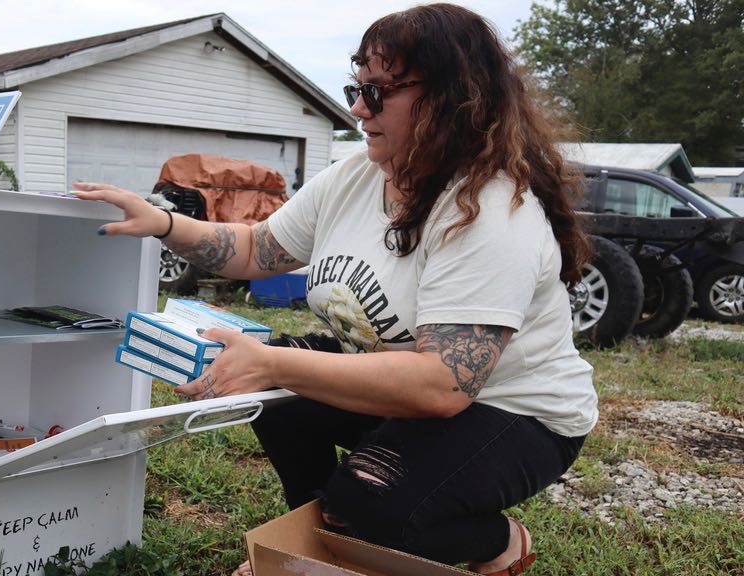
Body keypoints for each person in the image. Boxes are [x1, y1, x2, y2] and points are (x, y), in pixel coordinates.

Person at [74, 4, 597, 574]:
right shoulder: (358, 175)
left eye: (378, 93)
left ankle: (493, 543)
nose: (356, 109)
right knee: (273, 398)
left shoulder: (490, 210)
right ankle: (320, 545)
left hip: (512, 412)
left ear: (454, 96)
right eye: (357, 87)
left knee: (367, 498)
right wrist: (167, 225)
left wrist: (273, 363)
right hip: (406, 383)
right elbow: (257, 250)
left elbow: (443, 385)